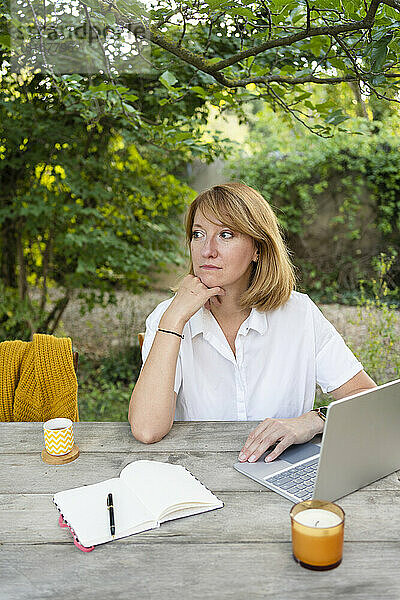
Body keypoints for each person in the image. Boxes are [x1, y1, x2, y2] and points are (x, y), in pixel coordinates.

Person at [128, 182, 376, 463]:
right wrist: (173, 318)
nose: (207, 250)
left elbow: (367, 398)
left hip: (281, 470)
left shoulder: (299, 313)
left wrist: (314, 421)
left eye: (225, 234)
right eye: (198, 234)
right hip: (196, 472)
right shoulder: (168, 317)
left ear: (258, 248)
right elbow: (147, 429)